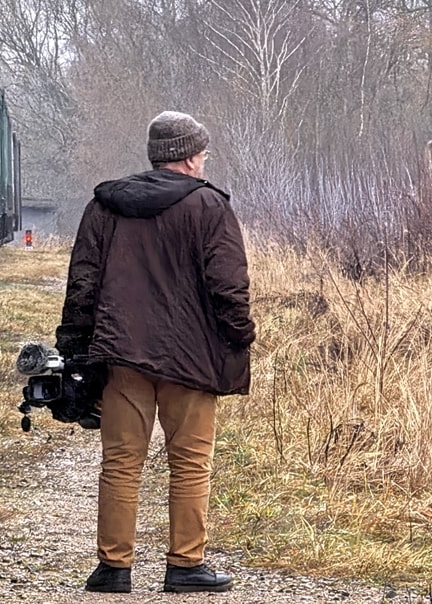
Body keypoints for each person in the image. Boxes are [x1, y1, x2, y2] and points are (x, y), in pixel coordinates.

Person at [55, 111, 255, 594]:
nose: (205, 161)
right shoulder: (209, 207)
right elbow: (229, 285)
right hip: (191, 359)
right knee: (189, 462)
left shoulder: (105, 207)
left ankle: (113, 568)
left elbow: (82, 283)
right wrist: (240, 335)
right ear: (188, 157)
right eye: (203, 153)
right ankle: (186, 565)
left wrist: (76, 346)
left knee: (121, 461)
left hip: (122, 356)